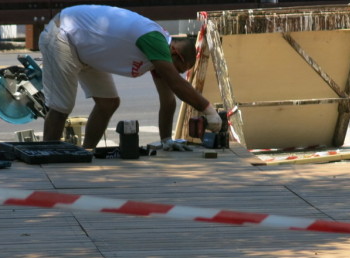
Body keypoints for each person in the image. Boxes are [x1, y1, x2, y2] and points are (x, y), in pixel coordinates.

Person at [38, 4, 221, 151]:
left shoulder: (160, 56)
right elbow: (176, 84)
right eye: (178, 68)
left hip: (85, 48)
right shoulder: (155, 41)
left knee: (108, 103)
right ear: (174, 51)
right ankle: (46, 157)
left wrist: (166, 139)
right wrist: (209, 110)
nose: (176, 73)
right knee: (61, 107)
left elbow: (168, 100)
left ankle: (88, 151)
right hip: (64, 35)